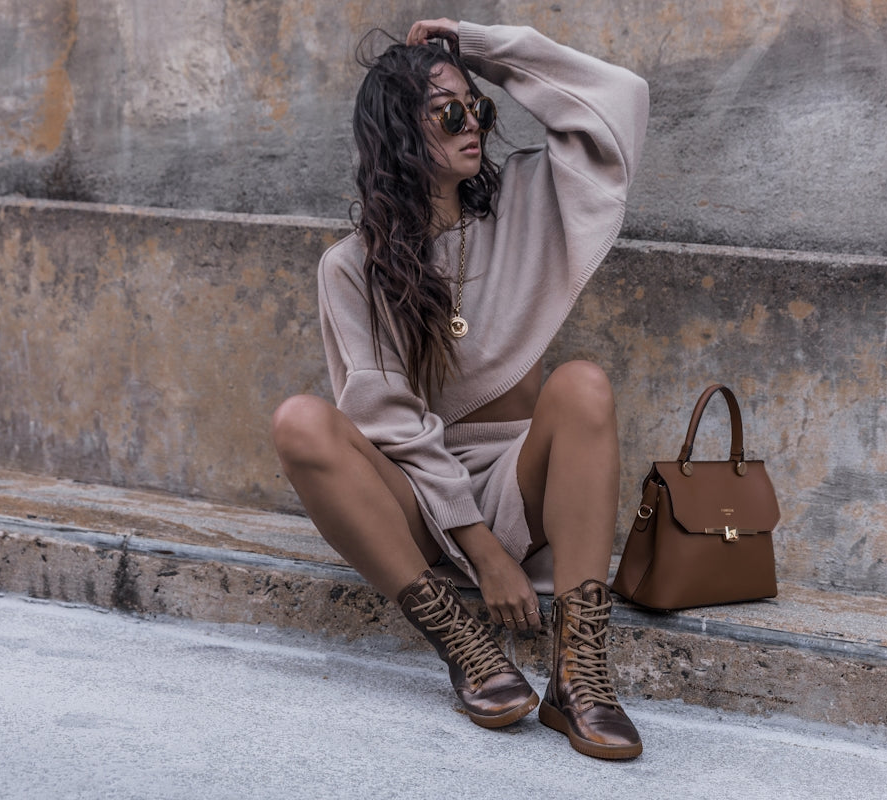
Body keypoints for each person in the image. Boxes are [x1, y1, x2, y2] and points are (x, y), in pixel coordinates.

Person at [271, 17, 648, 760]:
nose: (472, 121)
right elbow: (388, 423)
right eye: (449, 112)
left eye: (478, 108)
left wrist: (479, 50)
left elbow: (620, 98)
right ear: (401, 134)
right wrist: (482, 554)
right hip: (419, 499)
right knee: (300, 423)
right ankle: (463, 641)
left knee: (581, 385)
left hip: (520, 478)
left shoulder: (529, 203)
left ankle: (580, 675)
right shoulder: (355, 267)